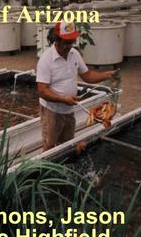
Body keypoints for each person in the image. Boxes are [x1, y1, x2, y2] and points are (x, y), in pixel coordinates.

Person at [36, 21, 116, 152]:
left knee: (68, 143)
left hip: (68, 109)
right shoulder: (46, 60)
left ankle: (64, 167)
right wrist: (63, 99)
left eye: (71, 42)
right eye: (66, 42)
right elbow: (42, 91)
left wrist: (106, 75)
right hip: (52, 111)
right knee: (49, 144)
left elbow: (88, 75)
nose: (69, 46)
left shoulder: (74, 54)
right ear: (57, 40)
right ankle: (44, 170)